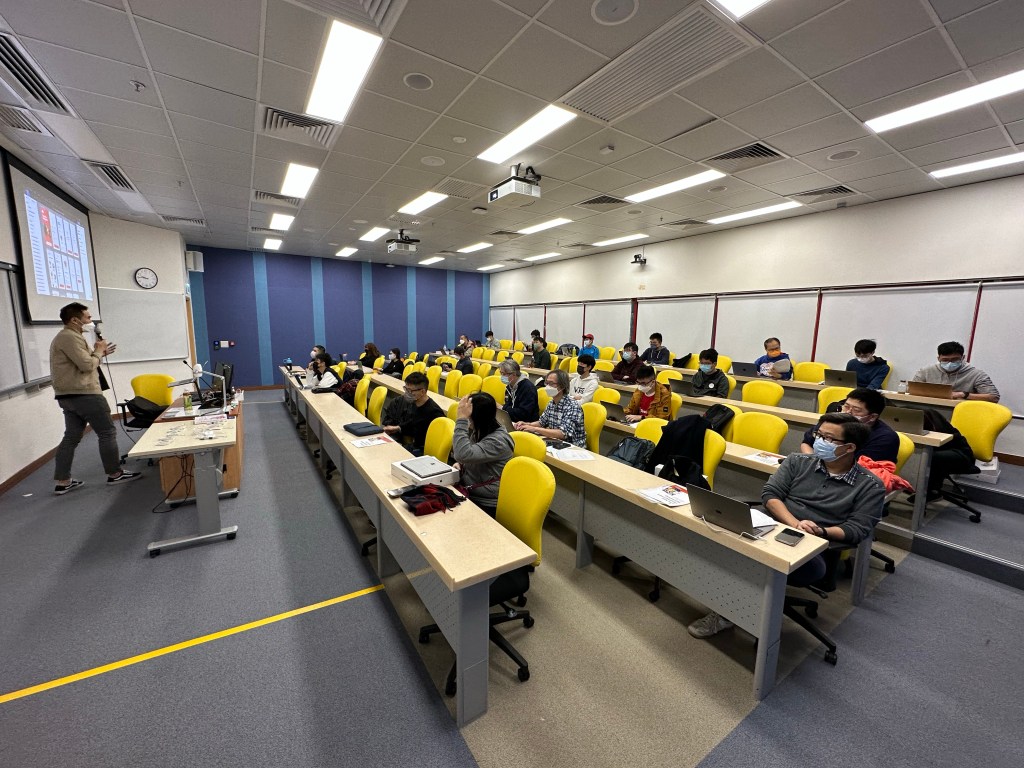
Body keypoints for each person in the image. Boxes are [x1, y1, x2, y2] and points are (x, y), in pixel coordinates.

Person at [688, 413, 885, 638]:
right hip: (773, 524)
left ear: (849, 447)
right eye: (819, 435)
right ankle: (730, 602)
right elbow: (770, 494)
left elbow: (857, 529)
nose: (819, 441)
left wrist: (821, 531)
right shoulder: (798, 461)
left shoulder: (870, 486)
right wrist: (794, 523)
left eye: (829, 439)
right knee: (720, 538)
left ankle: (726, 613)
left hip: (812, 545)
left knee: (746, 559)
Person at [49, 302, 140, 494]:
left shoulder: (67, 337)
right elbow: (87, 366)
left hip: (68, 395)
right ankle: (115, 473)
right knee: (107, 432)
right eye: (88, 317)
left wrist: (99, 353)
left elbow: (83, 362)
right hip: (84, 394)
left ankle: (63, 480)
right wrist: (98, 350)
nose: (91, 321)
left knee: (71, 436)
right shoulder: (70, 337)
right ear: (75, 320)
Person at [452, 393, 514, 516]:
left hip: (484, 501)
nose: (468, 420)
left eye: (469, 416)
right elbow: (467, 455)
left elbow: (462, 454)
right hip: (469, 488)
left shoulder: (498, 441)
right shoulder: (482, 429)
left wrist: (461, 420)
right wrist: (461, 464)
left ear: (477, 417)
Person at [799, 387, 899, 463]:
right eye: (846, 407)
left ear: (872, 417)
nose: (847, 412)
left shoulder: (885, 438)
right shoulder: (832, 422)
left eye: (856, 410)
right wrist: (813, 463)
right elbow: (806, 443)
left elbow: (863, 468)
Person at [514, 369, 586, 448]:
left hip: (573, 447)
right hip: (556, 443)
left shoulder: (573, 406)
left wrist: (534, 429)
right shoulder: (551, 403)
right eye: (547, 383)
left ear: (562, 386)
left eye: (551, 383)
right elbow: (542, 422)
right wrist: (527, 424)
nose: (548, 386)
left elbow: (563, 434)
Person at [911, 341, 1000, 402]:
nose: (950, 363)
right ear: (938, 359)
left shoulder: (976, 374)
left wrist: (963, 395)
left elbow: (994, 397)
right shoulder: (925, 371)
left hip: (963, 412)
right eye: (945, 360)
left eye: (954, 359)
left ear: (963, 358)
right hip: (930, 409)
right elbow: (911, 390)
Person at [381, 371, 444, 454]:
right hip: (413, 445)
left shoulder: (434, 413)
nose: (407, 393)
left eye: (410, 391)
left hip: (423, 450)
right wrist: (398, 428)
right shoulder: (414, 403)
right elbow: (412, 422)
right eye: (406, 389)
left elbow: (429, 443)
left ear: (422, 392)